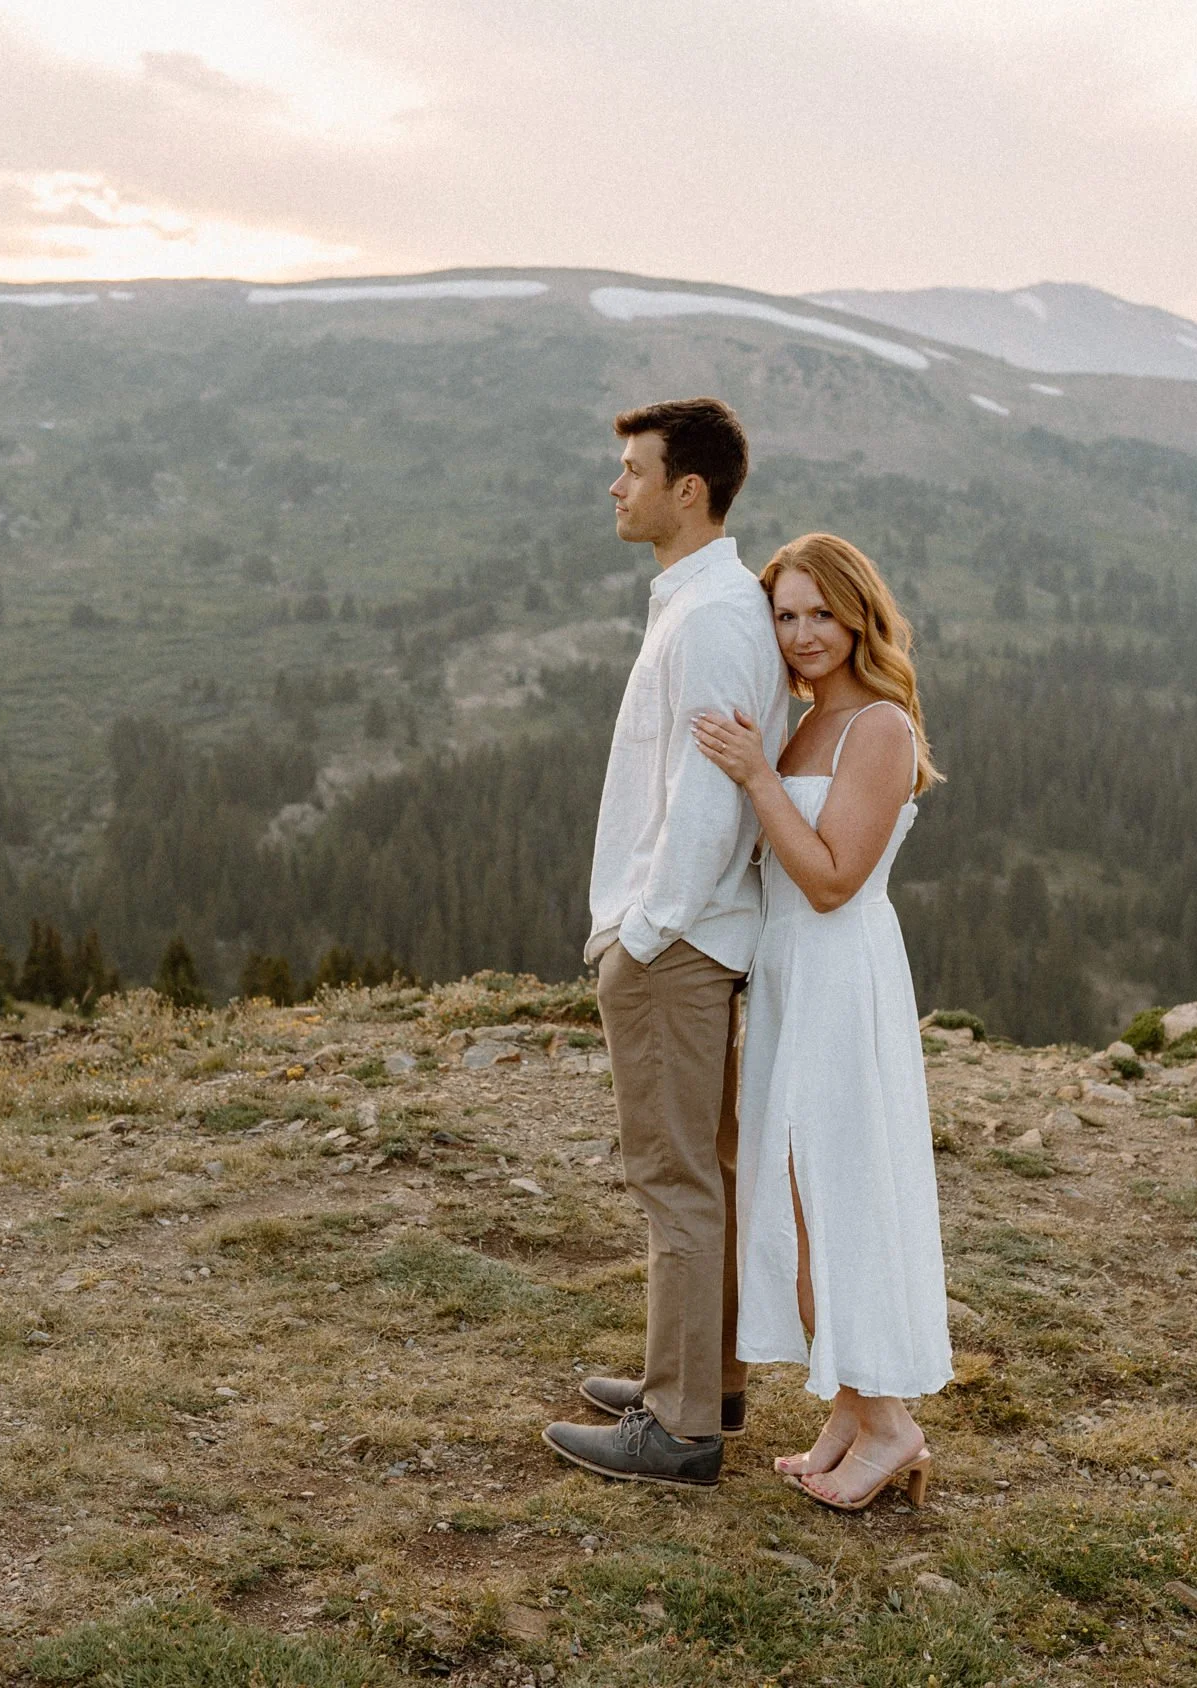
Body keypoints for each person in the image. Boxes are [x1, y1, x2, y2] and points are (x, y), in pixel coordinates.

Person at [542, 398, 787, 1489]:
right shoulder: (699, 603)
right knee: (703, 1171)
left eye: (632, 469)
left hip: (673, 945)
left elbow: (709, 798)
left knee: (673, 1176)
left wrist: (641, 933)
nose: (615, 486)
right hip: (682, 936)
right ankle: (699, 1382)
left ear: (687, 489)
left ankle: (679, 1428)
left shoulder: (716, 616)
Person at [689, 533, 953, 1511]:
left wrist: (757, 778)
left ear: (856, 616)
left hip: (841, 976)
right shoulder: (801, 728)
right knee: (796, 1208)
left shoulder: (878, 728)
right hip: (789, 976)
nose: (801, 635)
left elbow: (835, 879)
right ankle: (847, 1409)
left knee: (835, 1198)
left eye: (819, 613)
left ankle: (891, 1422)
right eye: (784, 615)